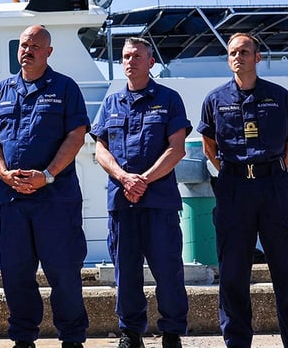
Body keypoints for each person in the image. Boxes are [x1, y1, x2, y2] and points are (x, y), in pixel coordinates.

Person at [198, 33, 288, 348]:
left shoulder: (280, 95)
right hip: (233, 188)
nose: (238, 57)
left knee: (285, 270)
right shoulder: (214, 99)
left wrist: (270, 172)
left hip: (273, 186)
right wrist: (233, 173)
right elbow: (209, 146)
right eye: (233, 52)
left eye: (244, 51)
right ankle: (236, 341)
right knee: (232, 273)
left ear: (257, 57)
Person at [0, 25, 89, 348]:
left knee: (64, 274)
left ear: (48, 52)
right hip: (13, 202)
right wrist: (3, 172)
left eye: (35, 45)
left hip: (56, 200)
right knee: (15, 275)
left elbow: (76, 136)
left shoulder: (65, 88)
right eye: (23, 44)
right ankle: (23, 339)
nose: (27, 50)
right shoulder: (1, 91)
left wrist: (48, 174)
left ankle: (72, 339)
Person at [91, 37, 190, 348]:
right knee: (126, 272)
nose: (130, 61)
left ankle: (172, 333)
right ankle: (131, 334)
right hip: (122, 203)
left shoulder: (169, 99)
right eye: (125, 57)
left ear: (151, 62)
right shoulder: (111, 103)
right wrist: (124, 178)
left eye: (136, 56)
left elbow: (177, 150)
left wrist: (142, 180)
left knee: (168, 271)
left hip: (158, 203)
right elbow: (99, 150)